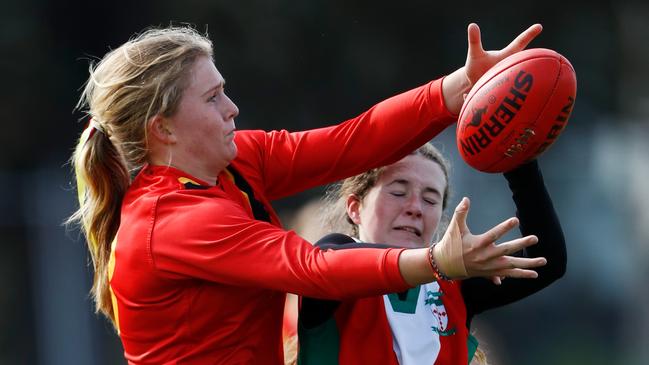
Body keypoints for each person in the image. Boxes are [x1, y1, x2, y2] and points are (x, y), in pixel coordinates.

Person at [67, 24, 546, 364]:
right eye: (212, 98)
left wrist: (456, 89)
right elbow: (313, 267)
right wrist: (437, 261)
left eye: (224, 90)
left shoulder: (232, 164)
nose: (232, 108)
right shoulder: (170, 222)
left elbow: (349, 144)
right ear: (163, 128)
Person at [297, 144, 567, 365]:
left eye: (430, 199)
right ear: (355, 208)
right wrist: (435, 261)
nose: (415, 207)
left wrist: (518, 158)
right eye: (398, 192)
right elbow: (331, 262)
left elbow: (546, 259)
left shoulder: (453, 285)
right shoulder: (333, 256)